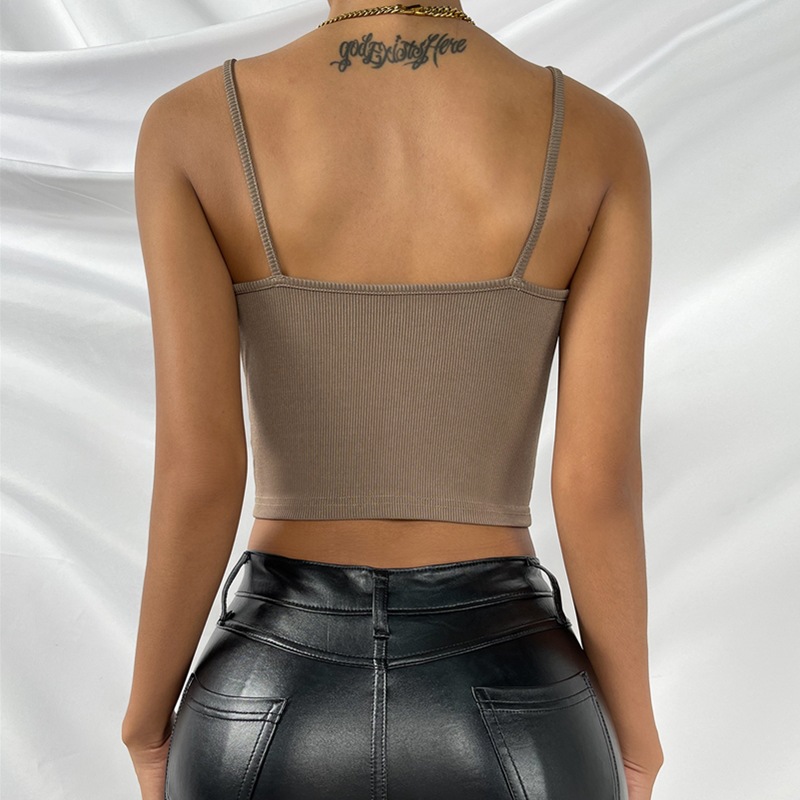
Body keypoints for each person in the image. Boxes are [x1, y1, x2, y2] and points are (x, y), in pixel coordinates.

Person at [120, 2, 663, 798]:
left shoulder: (192, 125)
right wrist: (636, 743)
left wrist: (145, 725)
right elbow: (594, 485)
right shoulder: (596, 134)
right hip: (514, 697)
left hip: (268, 702)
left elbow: (201, 472)